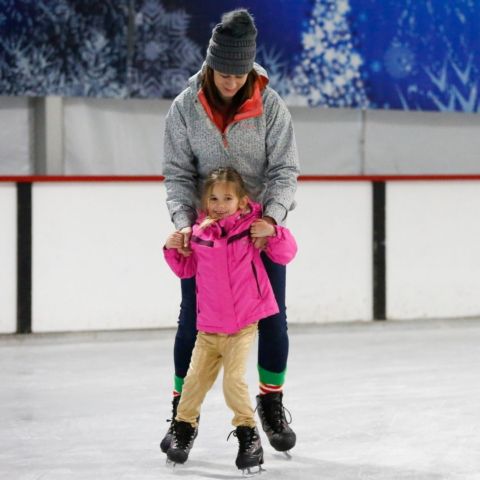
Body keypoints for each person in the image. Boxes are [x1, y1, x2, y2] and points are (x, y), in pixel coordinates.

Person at [161, 8, 300, 455]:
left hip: (256, 235)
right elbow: (178, 173)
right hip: (205, 239)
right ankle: (184, 416)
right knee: (193, 323)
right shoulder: (184, 109)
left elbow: (284, 170)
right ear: (211, 62)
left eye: (239, 72)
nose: (231, 80)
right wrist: (184, 225)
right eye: (224, 70)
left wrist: (272, 219)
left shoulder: (271, 106)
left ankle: (271, 403)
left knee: (273, 319)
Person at [163, 167, 297, 472]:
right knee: (194, 383)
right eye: (213, 198)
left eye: (227, 197)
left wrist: (273, 231)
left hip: (242, 326)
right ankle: (182, 429)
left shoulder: (252, 229)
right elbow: (186, 270)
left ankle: (248, 435)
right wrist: (173, 250)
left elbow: (286, 253)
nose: (220, 204)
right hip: (209, 327)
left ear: (242, 201)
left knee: (233, 383)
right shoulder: (199, 234)